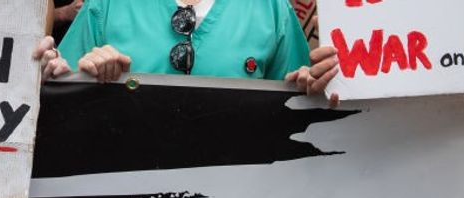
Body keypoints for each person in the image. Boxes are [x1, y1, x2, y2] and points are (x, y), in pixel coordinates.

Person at [55, 0, 339, 106]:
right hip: (123, 197)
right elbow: (56, 96)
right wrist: (86, 72)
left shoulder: (270, 8)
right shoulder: (107, 5)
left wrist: (311, 83)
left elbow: (299, 106)